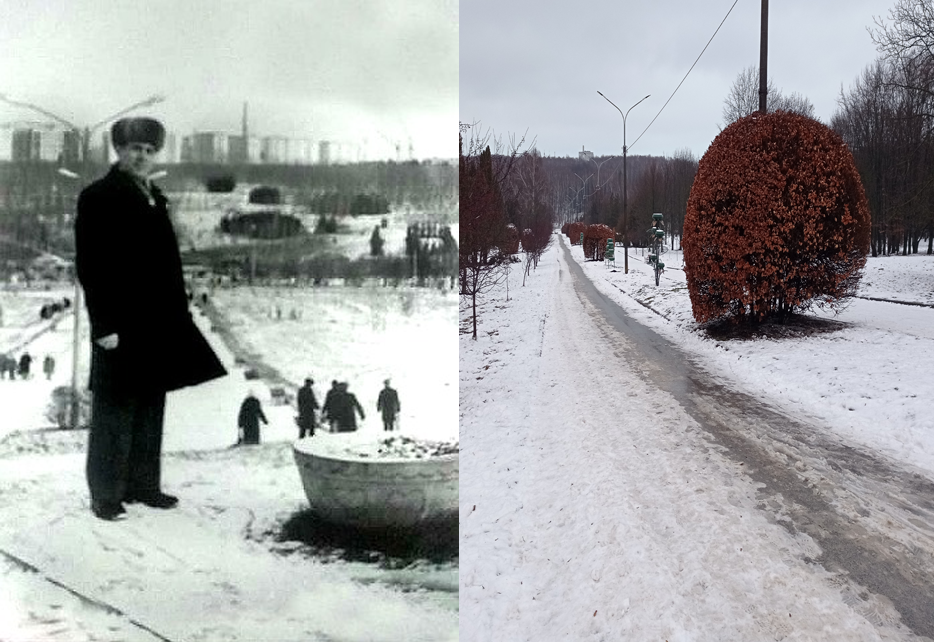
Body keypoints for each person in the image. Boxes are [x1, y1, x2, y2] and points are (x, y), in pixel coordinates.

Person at [75, 117, 227, 521]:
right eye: (133, 149)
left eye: (148, 150)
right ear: (119, 151)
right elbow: (92, 265)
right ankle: (106, 494)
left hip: (156, 323)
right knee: (114, 409)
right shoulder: (98, 196)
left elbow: (165, 263)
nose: (141, 156)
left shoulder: (154, 196)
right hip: (120, 325)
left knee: (148, 405)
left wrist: (178, 313)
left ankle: (143, 485)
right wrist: (103, 326)